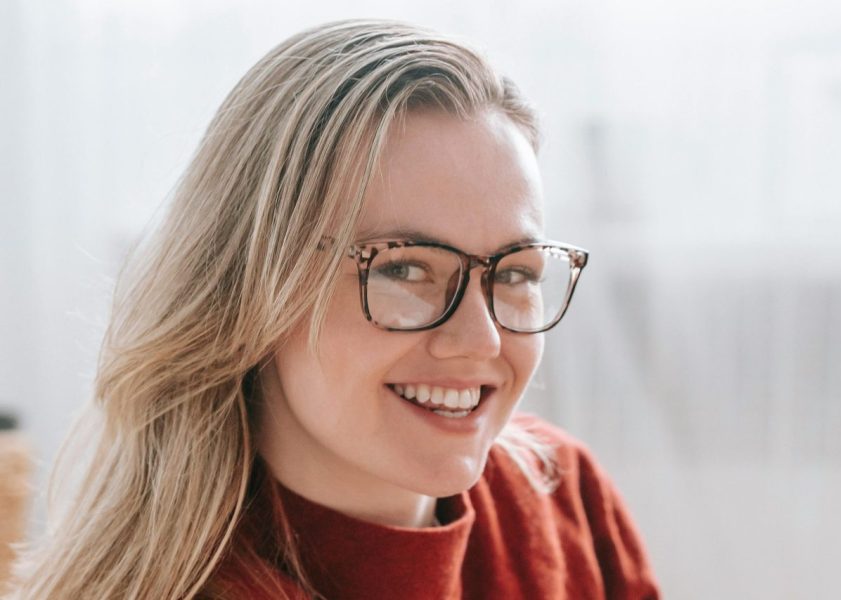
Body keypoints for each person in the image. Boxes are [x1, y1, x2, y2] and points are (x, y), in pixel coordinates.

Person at [9, 19, 659, 599]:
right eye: (406, 268)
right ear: (254, 286)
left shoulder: (561, 493)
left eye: (515, 272)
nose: (480, 339)